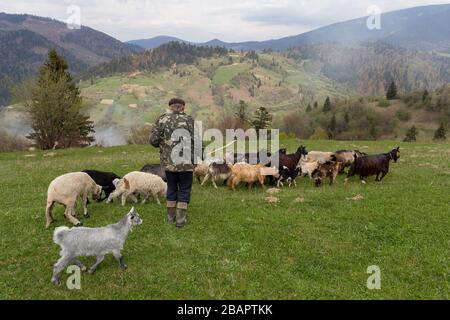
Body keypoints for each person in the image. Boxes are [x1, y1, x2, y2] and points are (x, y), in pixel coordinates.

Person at [149, 98, 196, 228]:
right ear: (183, 107)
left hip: (169, 163)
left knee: (171, 187)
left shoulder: (162, 119)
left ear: (170, 107)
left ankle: (170, 218)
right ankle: (181, 220)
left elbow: (153, 140)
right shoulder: (190, 120)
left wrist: (164, 145)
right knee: (185, 189)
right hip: (186, 163)